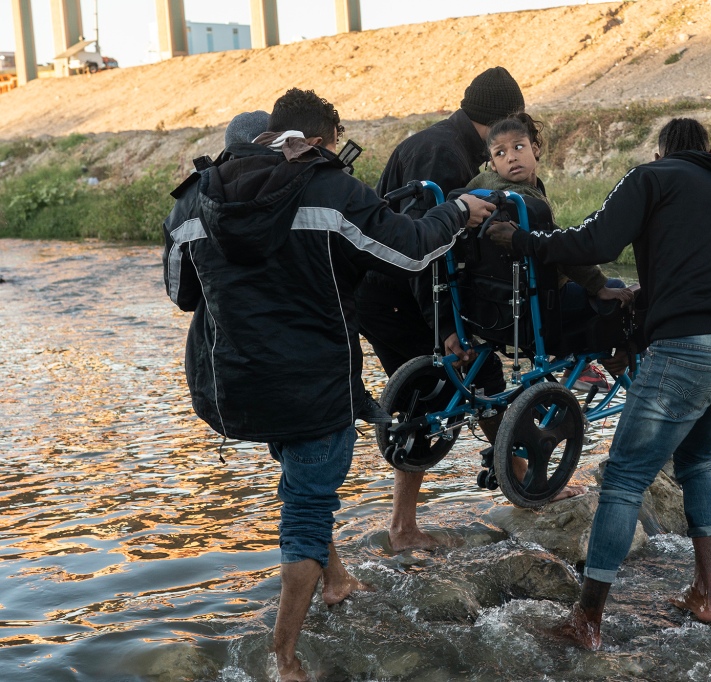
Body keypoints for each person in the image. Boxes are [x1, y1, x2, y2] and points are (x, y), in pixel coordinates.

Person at [162, 88, 494, 681]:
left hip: (237, 386)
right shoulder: (327, 187)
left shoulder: (190, 202)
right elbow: (412, 250)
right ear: (310, 140)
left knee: (302, 483)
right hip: (315, 384)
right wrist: (457, 213)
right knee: (308, 512)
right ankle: (283, 657)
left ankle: (335, 581)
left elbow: (182, 294)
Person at [487, 118, 711, 649]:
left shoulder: (651, 177)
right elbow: (708, 278)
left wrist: (522, 240)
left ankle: (587, 621)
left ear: (664, 149)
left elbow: (594, 239)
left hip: (692, 348)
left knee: (623, 480)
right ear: (706, 150)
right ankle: (706, 596)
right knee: (696, 461)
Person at [357, 66, 525, 551]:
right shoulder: (440, 154)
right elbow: (420, 249)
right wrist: (447, 327)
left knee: (481, 374)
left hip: (409, 290)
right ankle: (403, 527)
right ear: (500, 117)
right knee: (426, 395)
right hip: (393, 292)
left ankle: (519, 482)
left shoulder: (456, 146)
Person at [465, 112, 633, 391]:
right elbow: (560, 251)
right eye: (501, 153)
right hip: (540, 305)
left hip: (493, 305)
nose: (512, 157)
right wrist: (599, 284)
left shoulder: (478, 189)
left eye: (519, 147)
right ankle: (600, 363)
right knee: (620, 293)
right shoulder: (523, 202)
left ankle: (574, 361)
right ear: (493, 164)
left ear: (535, 149)